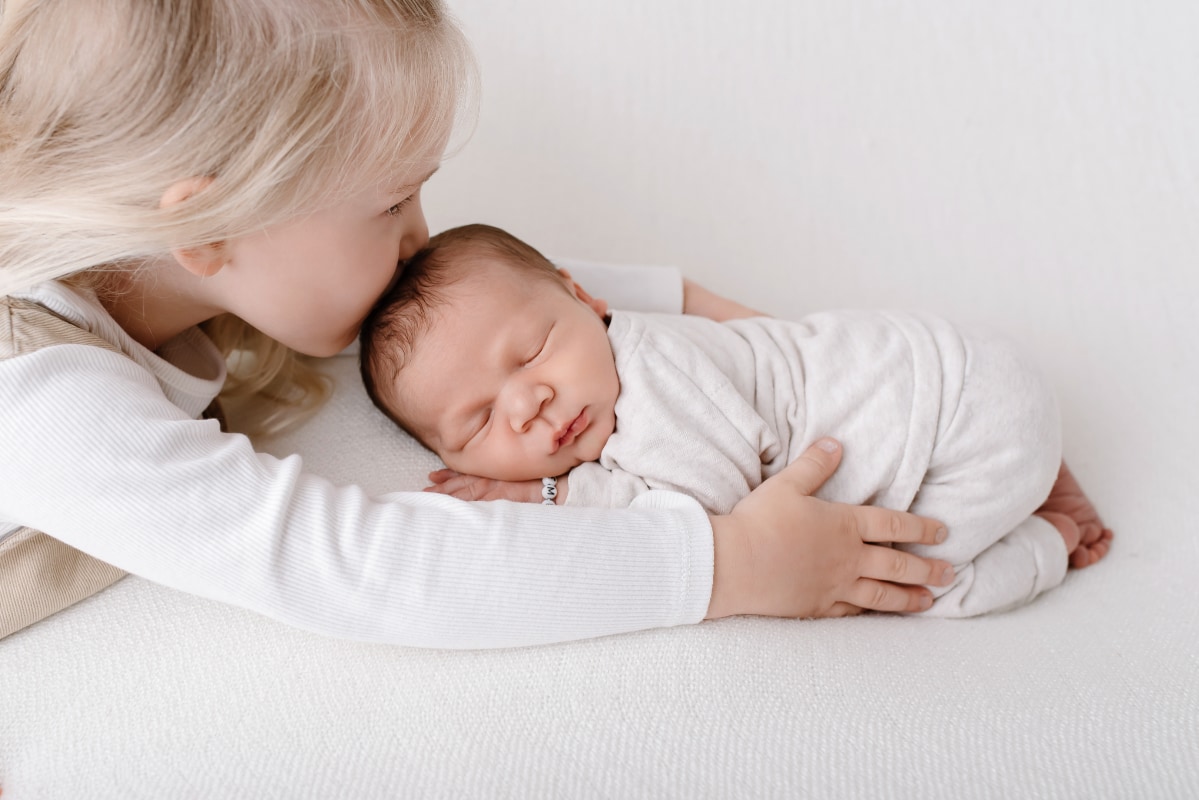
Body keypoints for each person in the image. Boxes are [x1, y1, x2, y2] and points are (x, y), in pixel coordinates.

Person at [0, 0, 955, 648]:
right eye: (393, 206)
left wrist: (840, 374)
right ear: (204, 224)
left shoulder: (194, 256)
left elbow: (491, 296)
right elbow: (347, 565)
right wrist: (728, 566)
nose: (420, 235)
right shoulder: (41, 402)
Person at [359, 225, 1114, 617]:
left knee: (911, 587)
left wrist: (549, 496)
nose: (528, 405)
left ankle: (1047, 538)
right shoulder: (626, 357)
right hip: (957, 367)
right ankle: (1044, 477)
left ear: (583, 299)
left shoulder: (650, 382)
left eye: (531, 354)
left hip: (962, 421)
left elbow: (705, 512)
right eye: (480, 421)